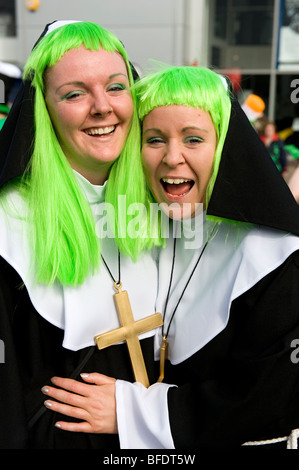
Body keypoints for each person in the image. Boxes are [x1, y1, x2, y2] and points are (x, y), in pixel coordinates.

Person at [42, 65, 299, 450]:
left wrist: (132, 412)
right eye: (154, 139)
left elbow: (269, 398)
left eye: (193, 139)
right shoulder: (154, 231)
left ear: (226, 147)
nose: (172, 157)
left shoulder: (278, 257)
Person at [0, 20, 162, 449]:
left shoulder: (171, 206)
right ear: (44, 110)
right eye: (74, 93)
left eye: (115, 87)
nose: (101, 107)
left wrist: (141, 415)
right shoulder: (8, 221)